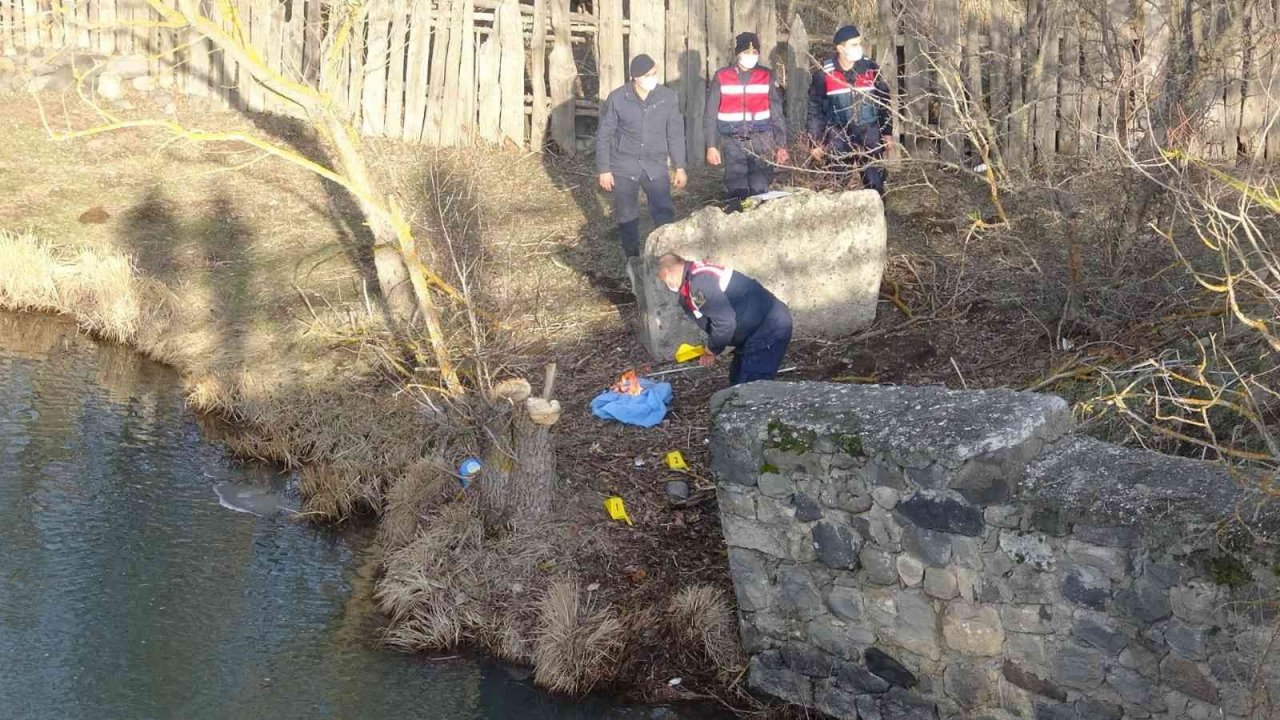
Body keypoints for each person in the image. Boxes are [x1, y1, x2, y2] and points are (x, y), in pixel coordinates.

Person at [596, 54, 688, 257]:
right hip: (624, 165)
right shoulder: (618, 98)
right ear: (635, 77)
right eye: (648, 75)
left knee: (663, 211)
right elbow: (604, 135)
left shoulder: (667, 97)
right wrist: (604, 169)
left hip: (655, 164)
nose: (653, 78)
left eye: (655, 73)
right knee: (627, 215)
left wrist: (679, 166)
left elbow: (675, 134)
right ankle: (632, 258)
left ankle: (666, 256)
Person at [656, 253, 792, 386]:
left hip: (768, 327)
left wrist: (711, 350)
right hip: (753, 331)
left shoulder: (700, 283)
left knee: (752, 388)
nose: (666, 284)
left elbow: (724, 322)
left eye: (664, 279)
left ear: (669, 272)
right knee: (737, 379)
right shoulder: (692, 280)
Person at [704, 32, 789, 212]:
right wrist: (711, 145)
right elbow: (710, 114)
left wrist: (781, 145)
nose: (751, 57)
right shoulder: (722, 77)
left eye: (755, 53)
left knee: (760, 187)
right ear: (738, 54)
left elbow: (777, 114)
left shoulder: (767, 76)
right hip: (733, 142)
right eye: (747, 53)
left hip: (762, 141)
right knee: (736, 190)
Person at [806, 24, 894, 195]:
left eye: (859, 43)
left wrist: (887, 132)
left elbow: (884, 101)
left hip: (869, 132)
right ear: (840, 48)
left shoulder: (871, 69)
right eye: (853, 44)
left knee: (875, 183)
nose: (858, 48)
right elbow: (815, 109)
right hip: (838, 134)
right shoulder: (825, 73)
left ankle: (878, 218)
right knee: (836, 184)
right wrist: (815, 141)